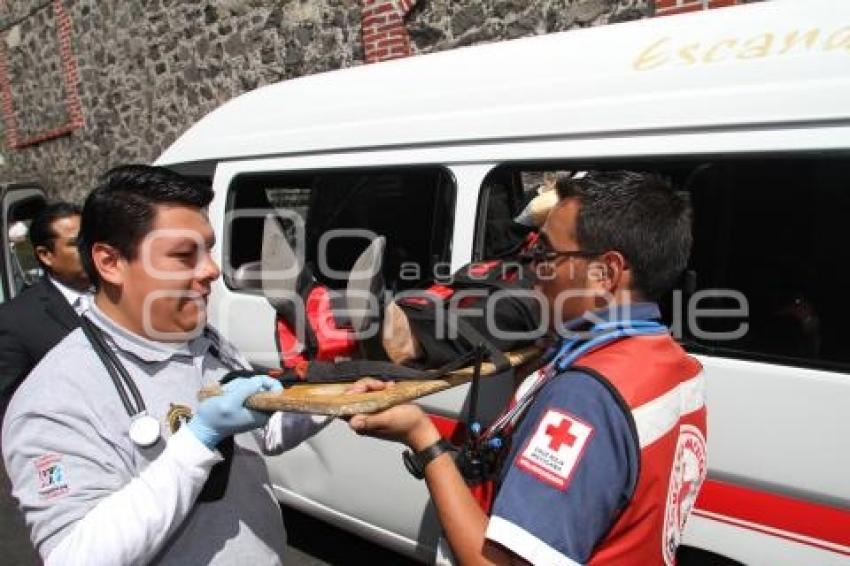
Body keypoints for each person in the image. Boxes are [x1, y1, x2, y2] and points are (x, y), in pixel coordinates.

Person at [348, 171, 707, 565]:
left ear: (605, 273)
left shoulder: (584, 397)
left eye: (547, 255)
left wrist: (422, 438)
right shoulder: (674, 363)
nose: (533, 269)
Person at [2, 165, 328, 565]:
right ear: (110, 262)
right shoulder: (52, 400)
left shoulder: (202, 341)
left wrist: (336, 398)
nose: (211, 269)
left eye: (207, 249)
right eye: (183, 255)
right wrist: (199, 439)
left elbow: (264, 433)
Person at [0, 202, 90, 408]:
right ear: (46, 255)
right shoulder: (15, 320)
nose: (89, 249)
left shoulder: (121, 296)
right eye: (76, 243)